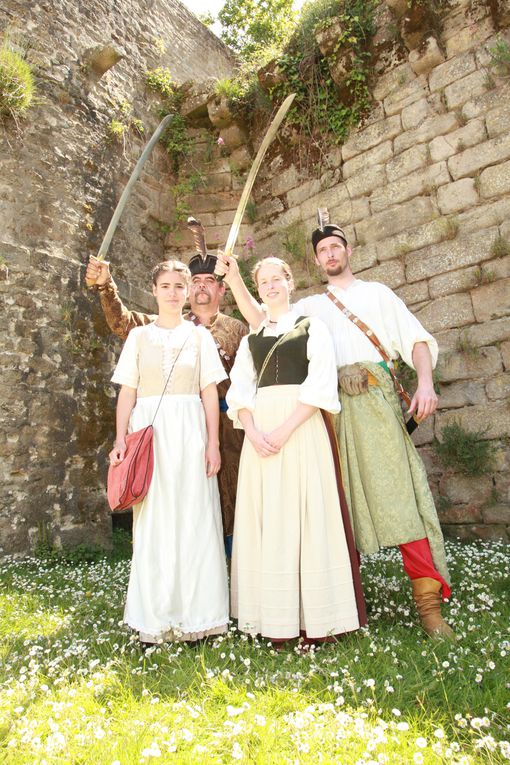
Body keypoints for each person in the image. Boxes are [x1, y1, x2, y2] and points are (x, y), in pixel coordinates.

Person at [216, 225, 455, 640]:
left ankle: (429, 609)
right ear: (315, 260)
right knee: (328, 505)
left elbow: (416, 339)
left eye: (335, 247)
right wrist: (235, 278)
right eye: (322, 250)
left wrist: (426, 382)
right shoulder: (309, 306)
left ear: (348, 250)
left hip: (372, 403)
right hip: (324, 416)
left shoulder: (377, 294)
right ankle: (337, 601)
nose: (329, 254)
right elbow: (263, 325)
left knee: (399, 496)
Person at [226, 256, 366, 646]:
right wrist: (252, 431)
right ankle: (273, 617)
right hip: (260, 435)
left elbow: (321, 386)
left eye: (277, 279)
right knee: (270, 518)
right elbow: (240, 390)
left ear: (290, 283)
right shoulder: (249, 339)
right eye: (263, 282)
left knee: (307, 517)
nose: (270, 286)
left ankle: (316, 620)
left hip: (300, 429)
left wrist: (285, 430)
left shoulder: (312, 328)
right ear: (258, 290)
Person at [86, 252, 247, 556]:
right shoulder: (161, 326)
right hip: (180, 424)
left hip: (228, 425)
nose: (201, 287)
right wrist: (106, 286)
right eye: (195, 280)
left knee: (228, 494)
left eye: (208, 281)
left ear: (221, 289)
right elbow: (124, 322)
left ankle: (229, 559)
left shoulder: (237, 329)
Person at [109, 260, 229, 644]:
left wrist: (212, 443)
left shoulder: (200, 338)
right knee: (155, 523)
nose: (175, 292)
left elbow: (209, 391)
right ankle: (154, 620)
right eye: (167, 285)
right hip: (149, 435)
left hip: (191, 432)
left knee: (196, 519)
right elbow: (127, 391)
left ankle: (200, 619)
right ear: (155, 290)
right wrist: (119, 441)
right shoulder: (138, 338)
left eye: (181, 285)